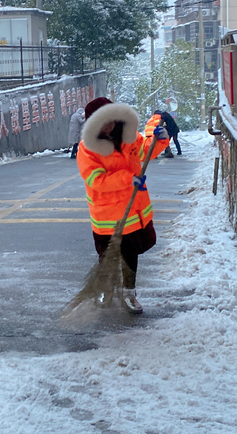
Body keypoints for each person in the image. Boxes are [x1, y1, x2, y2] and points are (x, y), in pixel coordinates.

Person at [77, 97, 170, 314]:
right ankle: (106, 289)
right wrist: (127, 179)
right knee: (107, 255)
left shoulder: (128, 139)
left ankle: (129, 293)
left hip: (132, 211)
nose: (109, 125)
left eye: (110, 119)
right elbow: (95, 180)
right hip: (106, 214)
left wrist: (159, 140)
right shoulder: (88, 149)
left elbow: (146, 151)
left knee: (130, 254)